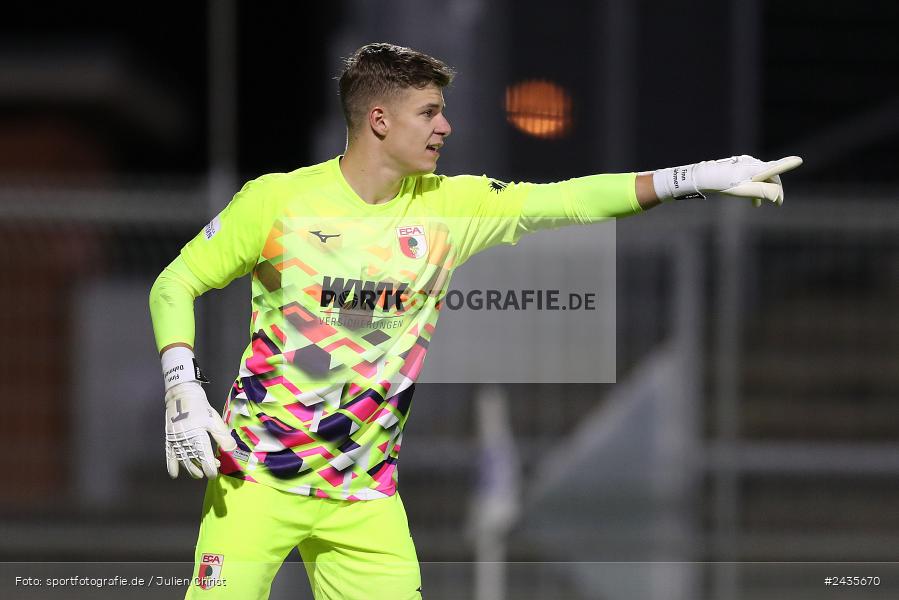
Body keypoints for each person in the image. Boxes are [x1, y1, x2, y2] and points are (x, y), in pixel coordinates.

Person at [148, 42, 801, 600]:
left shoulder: (449, 208)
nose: (445, 128)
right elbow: (176, 281)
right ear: (378, 120)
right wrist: (182, 388)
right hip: (257, 478)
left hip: (363, 499)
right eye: (429, 112)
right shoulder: (278, 201)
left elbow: (568, 201)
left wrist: (695, 175)